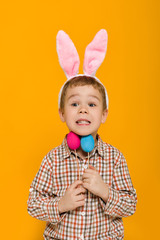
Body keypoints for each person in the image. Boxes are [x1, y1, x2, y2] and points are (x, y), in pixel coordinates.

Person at [27, 30, 137, 240]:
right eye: (75, 103)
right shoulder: (52, 160)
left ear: (104, 114)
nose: (83, 110)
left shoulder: (115, 158)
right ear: (62, 113)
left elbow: (130, 205)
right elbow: (32, 205)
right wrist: (60, 204)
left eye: (92, 104)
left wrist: (105, 191)